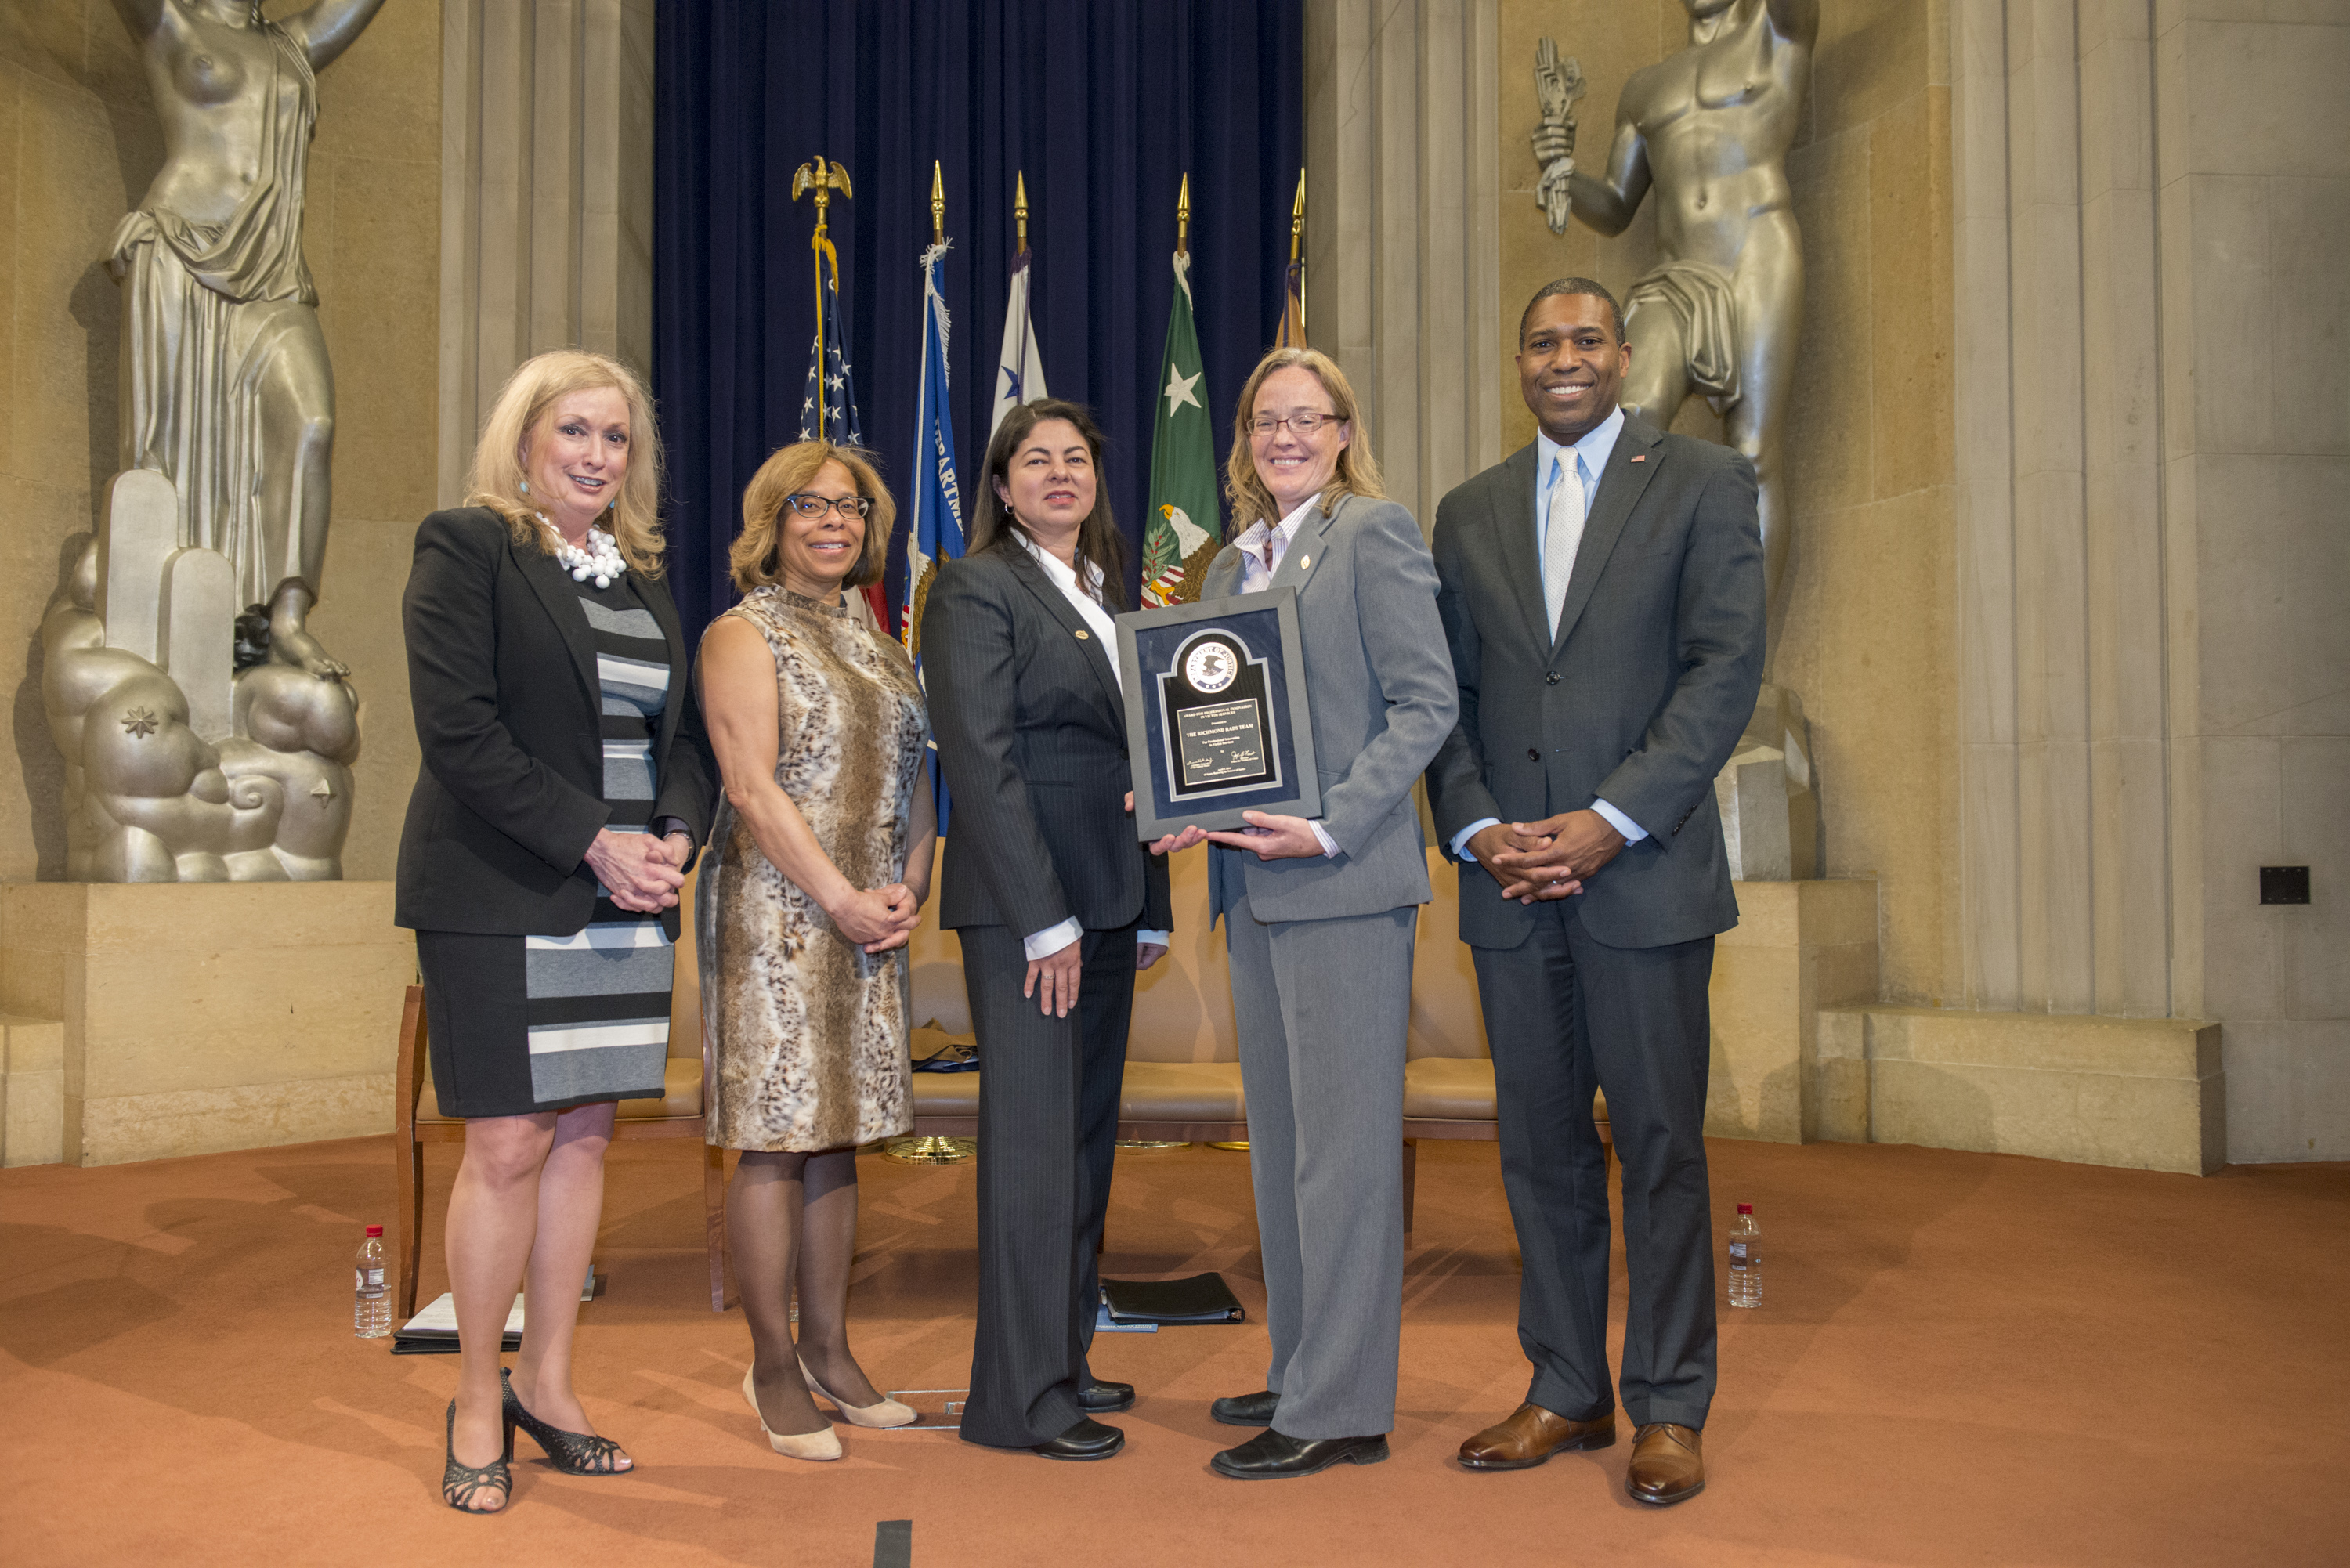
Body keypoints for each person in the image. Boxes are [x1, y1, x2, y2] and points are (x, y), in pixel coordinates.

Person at [1425, 279, 1765, 1506]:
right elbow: (1444, 699)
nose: (1563, 358)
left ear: (1622, 356)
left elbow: (1724, 669)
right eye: (1541, 342)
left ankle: (1669, 1402)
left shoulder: (1707, 485)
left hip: (1647, 878)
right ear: (1518, 364)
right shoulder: (1465, 514)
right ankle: (1567, 1385)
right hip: (1512, 889)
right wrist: (1474, 827)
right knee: (1540, 1148)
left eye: (1584, 339)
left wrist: (1611, 820)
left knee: (1661, 1146)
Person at [396, 350, 716, 1513]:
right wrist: (595, 839)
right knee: (508, 1145)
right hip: (501, 888)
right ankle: (477, 1394)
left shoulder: (639, 577)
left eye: (616, 438)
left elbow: (679, 736)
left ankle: (553, 1380)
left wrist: (676, 833)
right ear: (525, 439)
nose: (595, 455)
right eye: (574, 431)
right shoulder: (467, 545)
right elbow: (461, 734)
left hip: (629, 892)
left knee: (584, 1139)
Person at [1159, 348, 1459, 1481]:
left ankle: (1341, 1406)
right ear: (1243, 438)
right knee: (1284, 1155)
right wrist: (1190, 805)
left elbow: (1426, 701)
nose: (1284, 435)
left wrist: (1330, 822)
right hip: (1253, 886)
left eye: (1306, 417)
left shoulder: (1373, 532)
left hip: (1342, 882)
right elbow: (1225, 725)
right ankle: (1303, 1366)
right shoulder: (1232, 564)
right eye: (1265, 419)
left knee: (1344, 1157)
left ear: (1343, 430)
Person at [921, 400, 1173, 1461]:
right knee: (1032, 1148)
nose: (1061, 472)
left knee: (1079, 1143)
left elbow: (1138, 765)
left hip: (1110, 904)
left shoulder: (1109, 596)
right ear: (1003, 482)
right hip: (1035, 915)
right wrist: (1045, 923)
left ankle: (1060, 1357)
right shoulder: (976, 586)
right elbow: (980, 762)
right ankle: (1016, 1402)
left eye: (1077, 457)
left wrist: (1148, 912)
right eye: (1038, 459)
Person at [695, 442, 931, 1461]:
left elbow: (921, 779)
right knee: (776, 1132)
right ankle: (774, 1362)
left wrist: (908, 886)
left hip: (868, 916)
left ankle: (833, 1351)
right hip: (778, 914)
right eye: (809, 505)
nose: (832, 521)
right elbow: (751, 786)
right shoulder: (740, 632)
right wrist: (837, 896)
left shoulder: (882, 641)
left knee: (841, 1131)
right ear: (772, 520)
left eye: (849, 506)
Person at [108, 0, 389, 676]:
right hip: (179, 252)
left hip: (272, 273)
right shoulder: (168, 23)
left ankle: (284, 616)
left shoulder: (294, 42)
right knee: (164, 454)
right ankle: (168, 619)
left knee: (311, 423)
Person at [1557, 0, 1817, 631]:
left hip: (1756, 253)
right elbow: (1618, 205)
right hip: (1677, 275)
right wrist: (1562, 174)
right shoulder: (1646, 85)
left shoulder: (1775, 31)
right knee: (1625, 430)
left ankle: (1746, 667)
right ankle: (1636, 642)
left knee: (1754, 453)